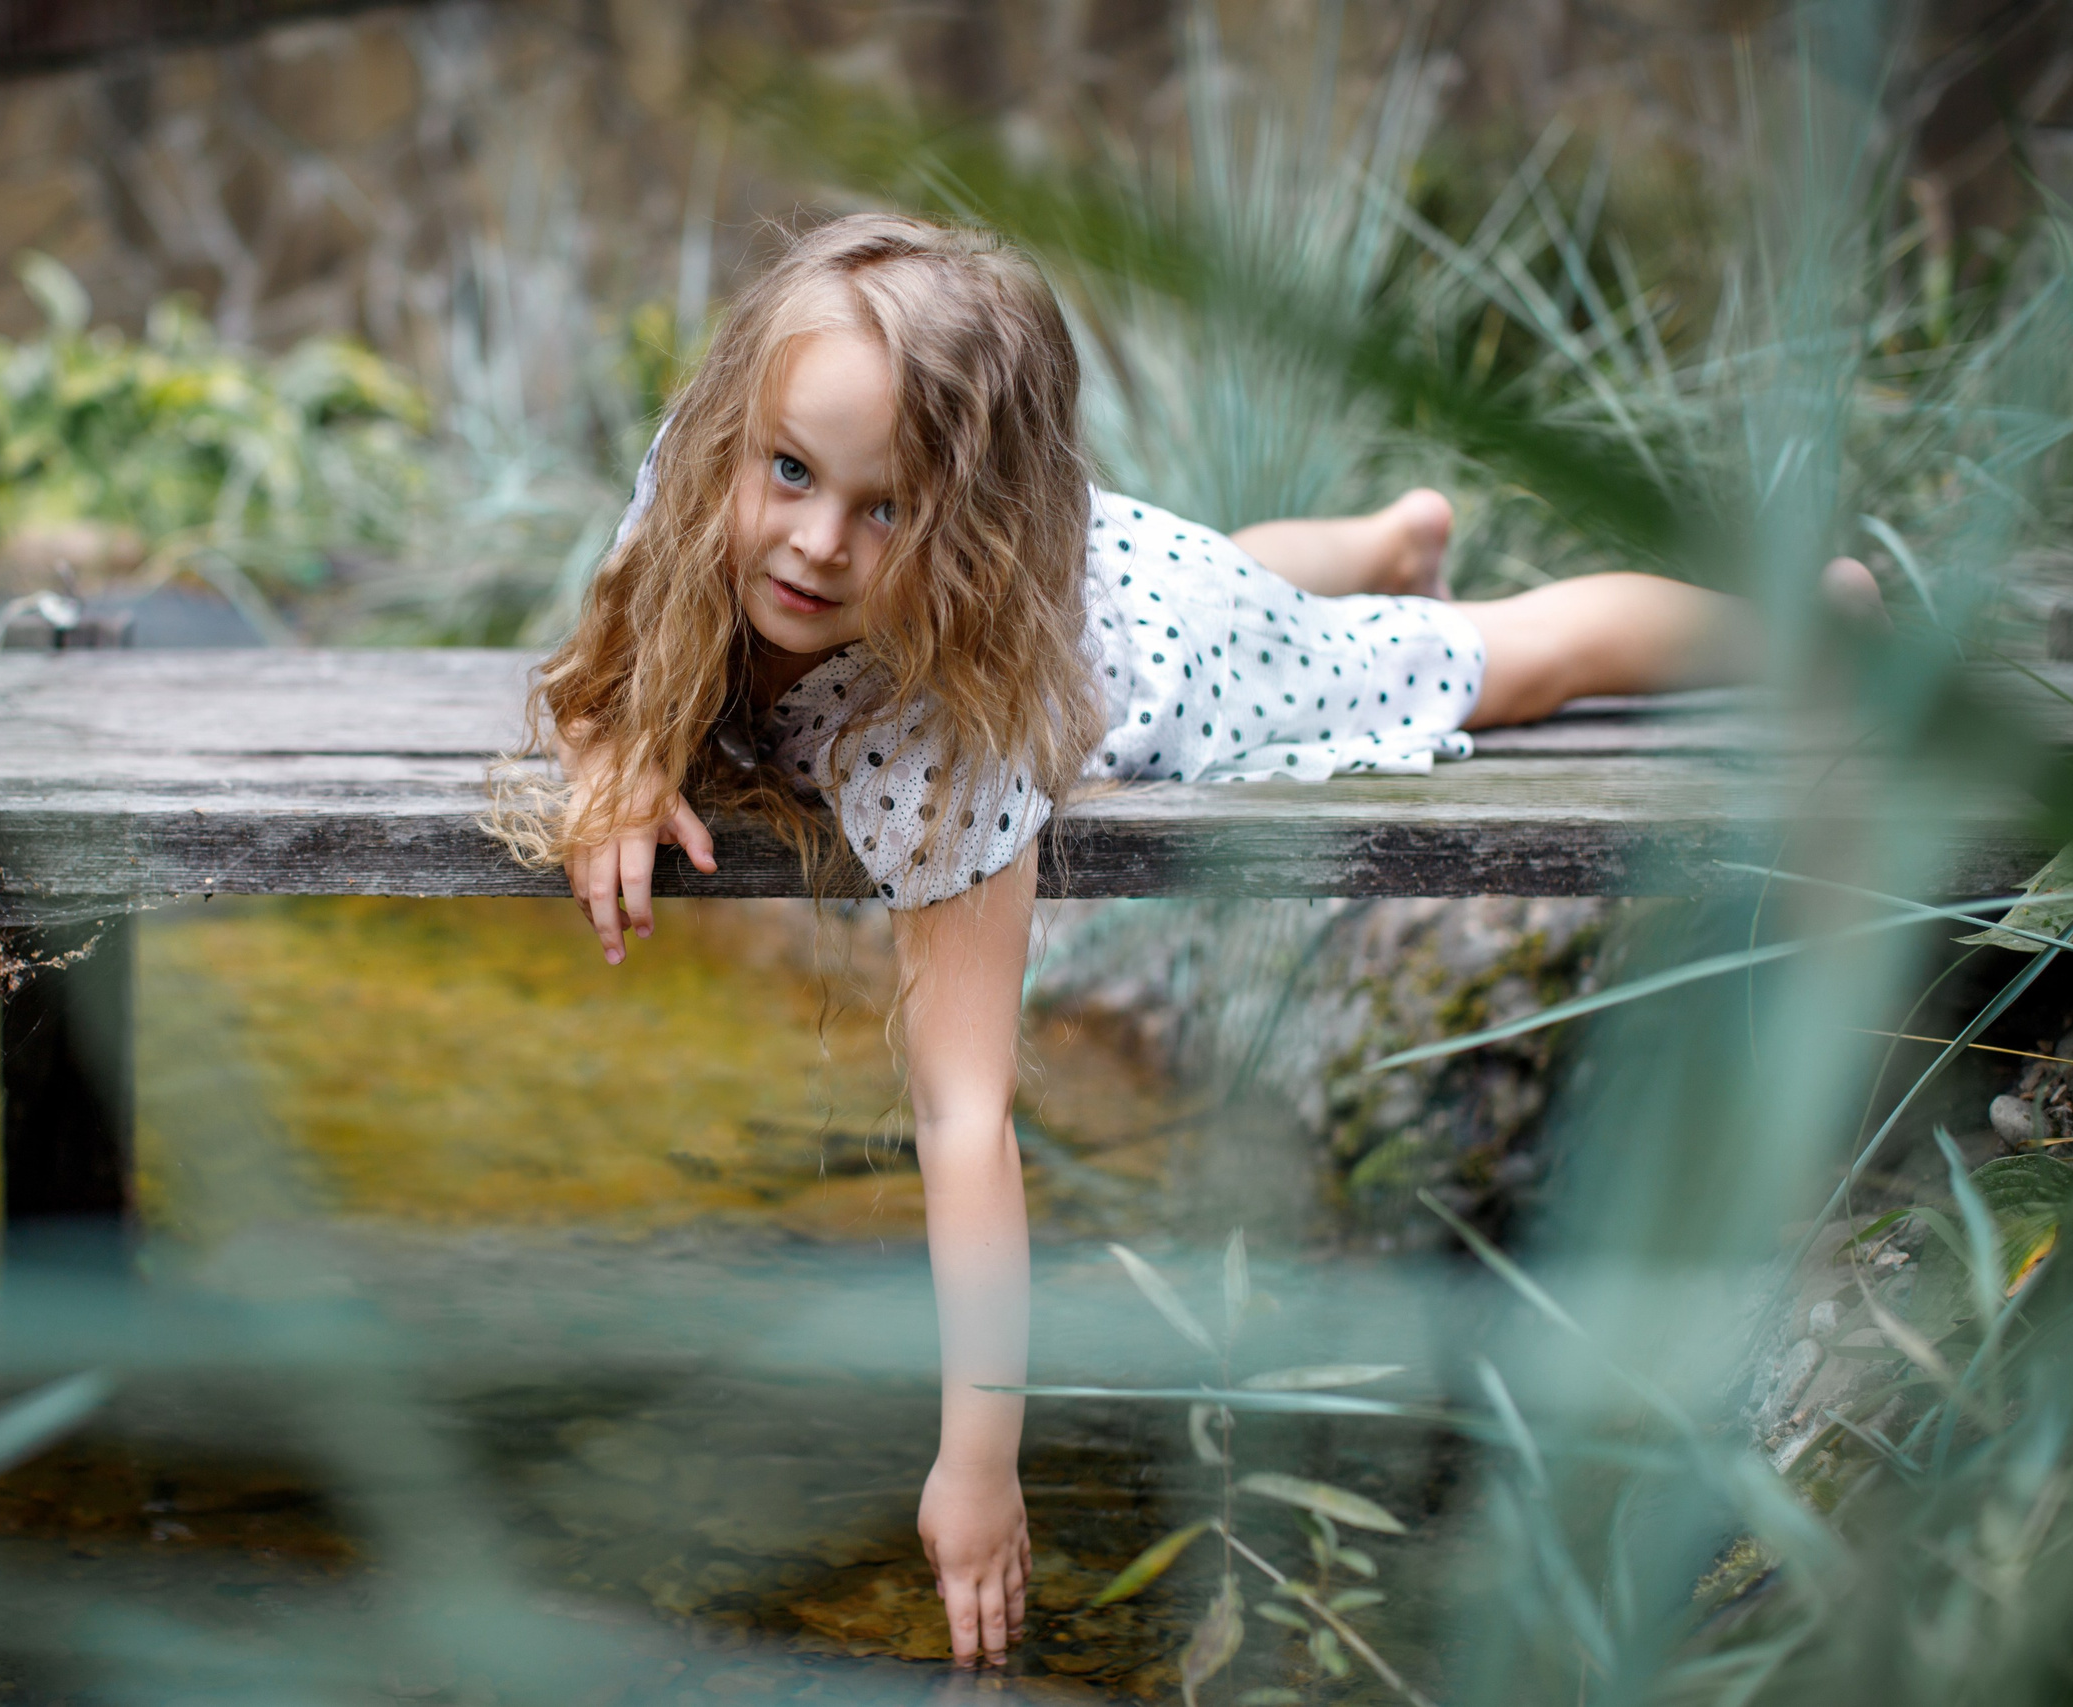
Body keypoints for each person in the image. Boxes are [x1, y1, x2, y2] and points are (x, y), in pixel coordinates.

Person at [487, 212, 1872, 1664]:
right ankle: (1385, 542)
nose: (818, 542)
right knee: (1237, 578)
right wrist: (618, 759)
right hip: (1132, 578)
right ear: (737, 433)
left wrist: (978, 1462)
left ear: (974, 530)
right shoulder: (710, 471)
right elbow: (610, 662)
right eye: (791, 473)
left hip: (1175, 652)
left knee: (1490, 661)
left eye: (887, 508)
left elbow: (963, 1114)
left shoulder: (948, 735)